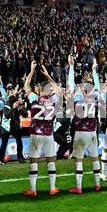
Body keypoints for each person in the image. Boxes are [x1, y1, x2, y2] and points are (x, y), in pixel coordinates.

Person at [23, 61, 61, 196]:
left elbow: (26, 85)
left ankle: (33, 190)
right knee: (51, 160)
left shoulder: (34, 98)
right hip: (49, 134)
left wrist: (32, 70)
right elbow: (58, 89)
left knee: (34, 161)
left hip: (35, 134)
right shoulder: (54, 100)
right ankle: (52, 188)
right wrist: (49, 76)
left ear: (40, 89)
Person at [67, 56, 101, 194]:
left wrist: (71, 66)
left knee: (79, 159)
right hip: (93, 132)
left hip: (81, 132)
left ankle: (79, 187)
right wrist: (94, 71)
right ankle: (98, 184)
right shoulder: (95, 97)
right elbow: (98, 87)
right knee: (94, 158)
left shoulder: (77, 97)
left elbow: (70, 84)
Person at [0, 95, 28, 164]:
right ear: (13, 102)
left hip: (15, 127)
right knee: (4, 143)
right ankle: (1, 159)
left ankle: (20, 158)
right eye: (16, 102)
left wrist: (22, 109)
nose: (18, 102)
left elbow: (26, 115)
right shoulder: (6, 106)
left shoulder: (18, 106)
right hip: (6, 127)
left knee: (19, 142)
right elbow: (7, 116)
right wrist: (13, 108)